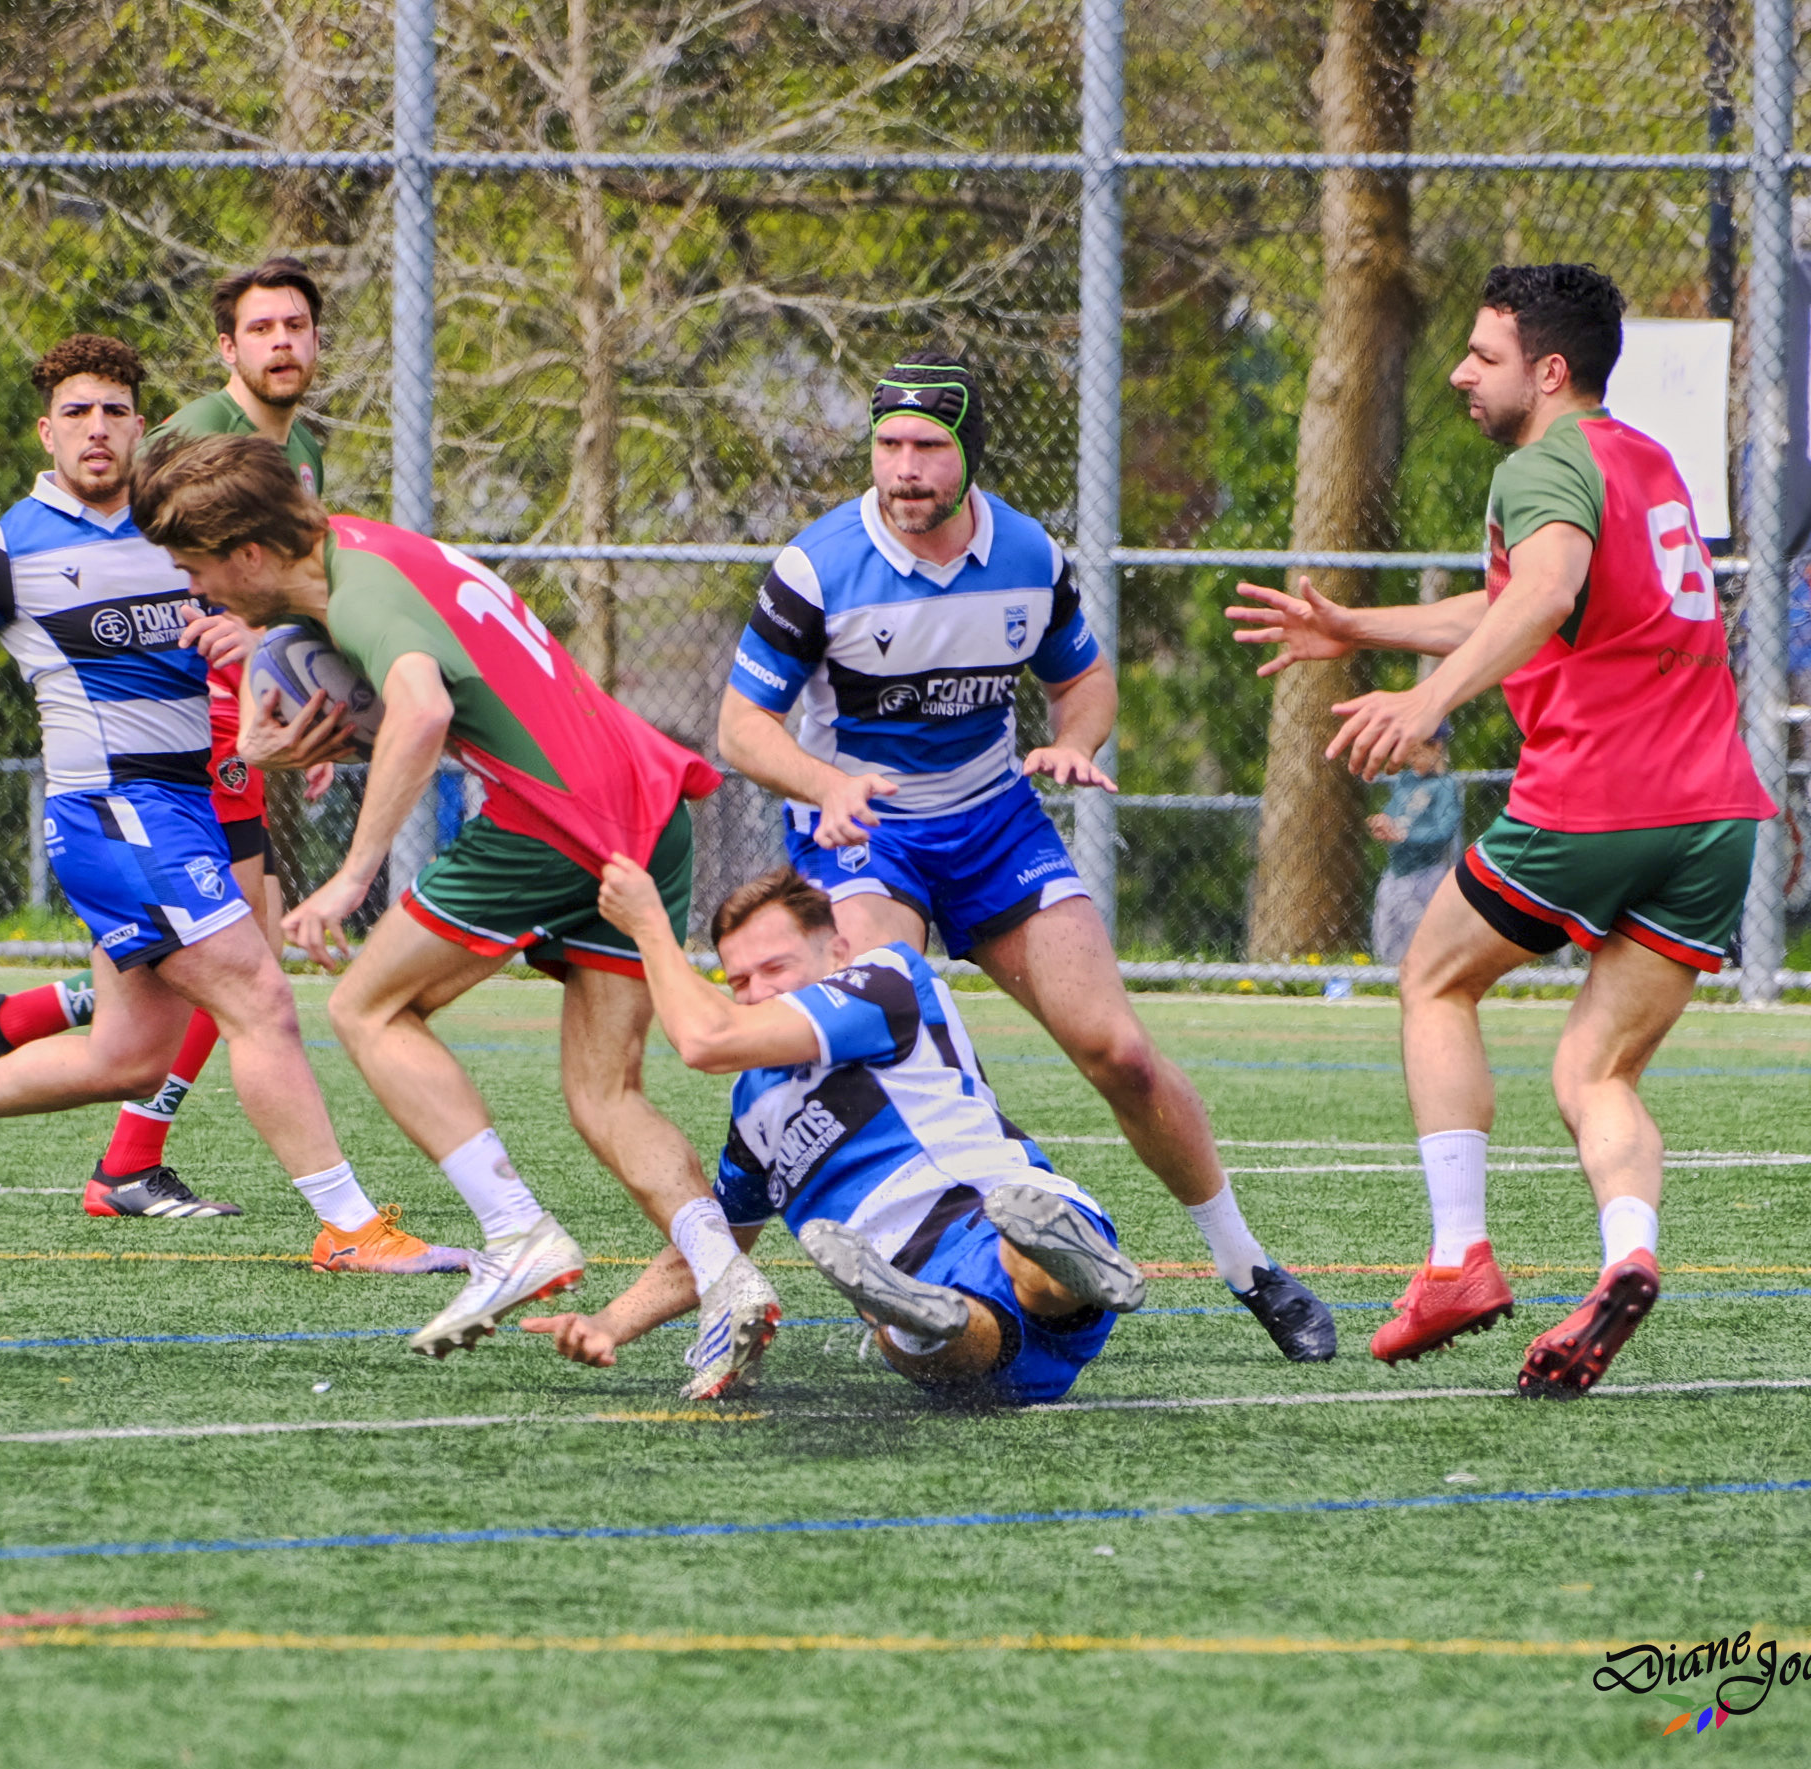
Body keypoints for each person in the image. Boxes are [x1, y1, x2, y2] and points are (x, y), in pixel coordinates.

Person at [0, 335, 460, 1277]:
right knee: (259, 995)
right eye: (76, 412)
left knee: (129, 1057)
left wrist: (262, 660)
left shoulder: (180, 526)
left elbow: (280, 613)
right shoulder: (8, 547)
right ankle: (348, 1226)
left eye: (113, 411)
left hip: (183, 807)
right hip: (113, 813)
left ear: (141, 426)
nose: (96, 429)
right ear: (45, 431)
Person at [133, 432, 783, 1398]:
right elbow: (449, 698)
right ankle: (727, 1277)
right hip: (642, 804)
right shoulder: (368, 549)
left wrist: (351, 876)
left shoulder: (360, 597)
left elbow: (424, 711)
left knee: (366, 1007)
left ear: (252, 554)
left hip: (554, 818)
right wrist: (303, 746)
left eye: (197, 569)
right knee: (604, 1094)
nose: (197, 591)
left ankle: (516, 1232)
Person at [716, 350, 1336, 1362]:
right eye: (887, 444)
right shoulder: (815, 567)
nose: (904, 467)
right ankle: (910, 1292)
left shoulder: (1025, 554)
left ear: (968, 454)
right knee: (888, 1042)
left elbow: (1081, 680)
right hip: (864, 834)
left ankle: (1250, 1268)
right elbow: (741, 726)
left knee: (1120, 1052)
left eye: (927, 446)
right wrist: (824, 784)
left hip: (994, 823)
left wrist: (1075, 742)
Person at [1226, 263, 1776, 1396]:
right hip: (1714, 813)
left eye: (1482, 355)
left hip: (1596, 801)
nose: (1458, 373)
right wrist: (1357, 627)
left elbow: (1543, 589)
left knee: (1434, 979)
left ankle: (1455, 1260)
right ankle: (1627, 1254)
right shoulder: (1641, 459)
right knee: (1594, 1068)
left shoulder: (1538, 465)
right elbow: (1527, 594)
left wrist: (1426, 700)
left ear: (1549, 370)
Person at [0, 261, 347, 1234]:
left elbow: (269, 591)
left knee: (212, 958)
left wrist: (296, 687)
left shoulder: (298, 447)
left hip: (226, 722)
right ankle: (129, 1154)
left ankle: (17, 1026)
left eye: (297, 325)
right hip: (193, 736)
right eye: (263, 328)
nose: (283, 342)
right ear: (227, 348)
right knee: (240, 958)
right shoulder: (196, 434)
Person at [524, 864, 1145, 1405]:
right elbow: (716, 1247)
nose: (758, 992)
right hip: (948, 1313)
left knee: (1015, 1253)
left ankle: (1054, 1265)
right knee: (943, 1333)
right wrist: (610, 1323)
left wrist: (648, 926)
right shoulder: (753, 1104)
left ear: (837, 953)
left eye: (776, 967)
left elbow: (704, 1040)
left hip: (986, 1203)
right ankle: (925, 1308)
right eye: (739, 982)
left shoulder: (885, 981)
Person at [1368, 723, 1464, 965]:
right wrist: (1383, 822)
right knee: (1386, 935)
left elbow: (1443, 832)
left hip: (1427, 873)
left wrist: (1405, 835)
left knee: (1421, 939)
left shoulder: (1446, 785)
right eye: (1409, 753)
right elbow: (1393, 812)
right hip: (1396, 871)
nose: (1412, 760)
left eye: (1418, 752)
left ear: (1436, 747)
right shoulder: (1405, 781)